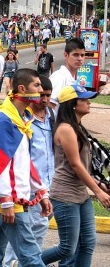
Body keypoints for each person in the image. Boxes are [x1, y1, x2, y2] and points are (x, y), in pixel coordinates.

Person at [0, 69, 53, 267]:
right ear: (22, 89)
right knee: (32, 258)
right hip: (10, 202)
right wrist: (6, 201)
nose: (41, 91)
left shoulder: (20, 118)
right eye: (37, 86)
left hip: (8, 200)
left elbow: (23, 162)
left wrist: (41, 192)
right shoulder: (4, 120)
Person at [39, 85, 110, 266]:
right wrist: (98, 192)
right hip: (65, 195)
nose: (89, 103)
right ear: (72, 104)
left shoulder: (78, 128)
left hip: (80, 194)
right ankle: (26, 262)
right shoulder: (66, 129)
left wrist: (100, 185)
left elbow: (84, 167)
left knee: (88, 243)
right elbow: (76, 166)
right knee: (67, 249)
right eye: (84, 99)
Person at [3, 75, 56, 266]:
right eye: (40, 93)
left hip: (47, 189)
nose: (44, 99)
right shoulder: (20, 120)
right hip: (27, 190)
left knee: (35, 237)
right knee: (23, 240)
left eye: (48, 95)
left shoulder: (52, 117)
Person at [50, 38, 85, 112]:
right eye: (75, 55)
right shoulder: (60, 77)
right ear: (66, 55)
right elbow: (50, 106)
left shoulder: (72, 77)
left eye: (82, 55)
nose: (80, 59)